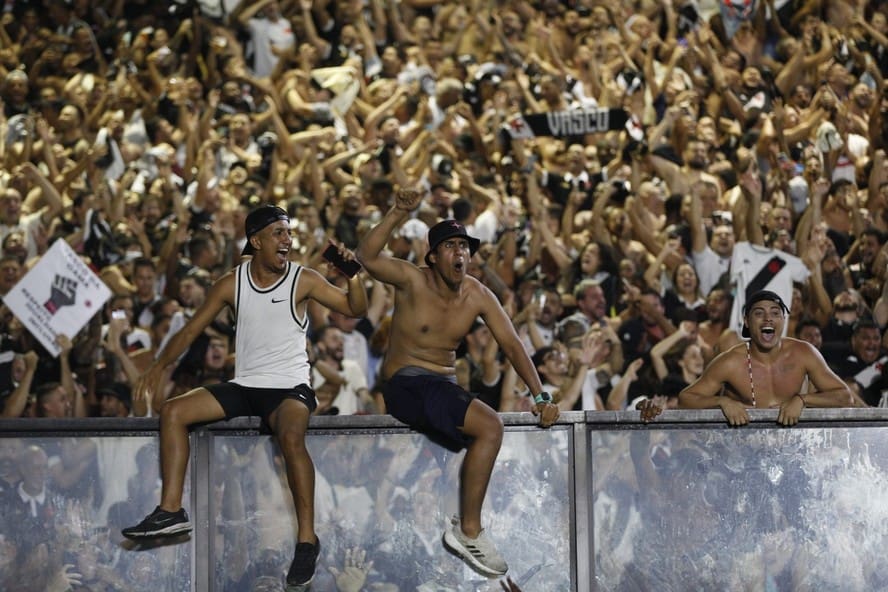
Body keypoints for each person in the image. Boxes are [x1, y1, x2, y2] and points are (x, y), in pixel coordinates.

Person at [121, 204, 368, 589]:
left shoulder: (304, 279)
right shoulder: (231, 282)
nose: (288, 240)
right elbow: (188, 333)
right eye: (279, 234)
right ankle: (171, 510)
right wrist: (157, 367)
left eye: (289, 233)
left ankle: (307, 540)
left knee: (290, 436)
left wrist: (353, 275)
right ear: (256, 241)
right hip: (246, 385)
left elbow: (356, 308)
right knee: (173, 411)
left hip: (290, 386)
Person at [356, 188, 560, 578]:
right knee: (490, 426)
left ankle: (456, 544)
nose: (460, 254)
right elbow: (366, 257)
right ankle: (469, 531)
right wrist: (397, 212)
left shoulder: (477, 294)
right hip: (406, 384)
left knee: (466, 451)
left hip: (443, 388)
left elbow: (513, 345)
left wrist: (540, 395)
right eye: (451, 246)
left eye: (465, 247)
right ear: (433, 256)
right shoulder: (412, 279)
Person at [640, 290, 854, 426]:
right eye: (759, 313)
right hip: (745, 450)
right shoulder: (731, 361)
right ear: (747, 322)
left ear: (783, 321)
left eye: (775, 313)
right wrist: (722, 402)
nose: (768, 317)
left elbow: (844, 397)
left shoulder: (803, 352)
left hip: (793, 447)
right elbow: (687, 400)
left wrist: (802, 400)